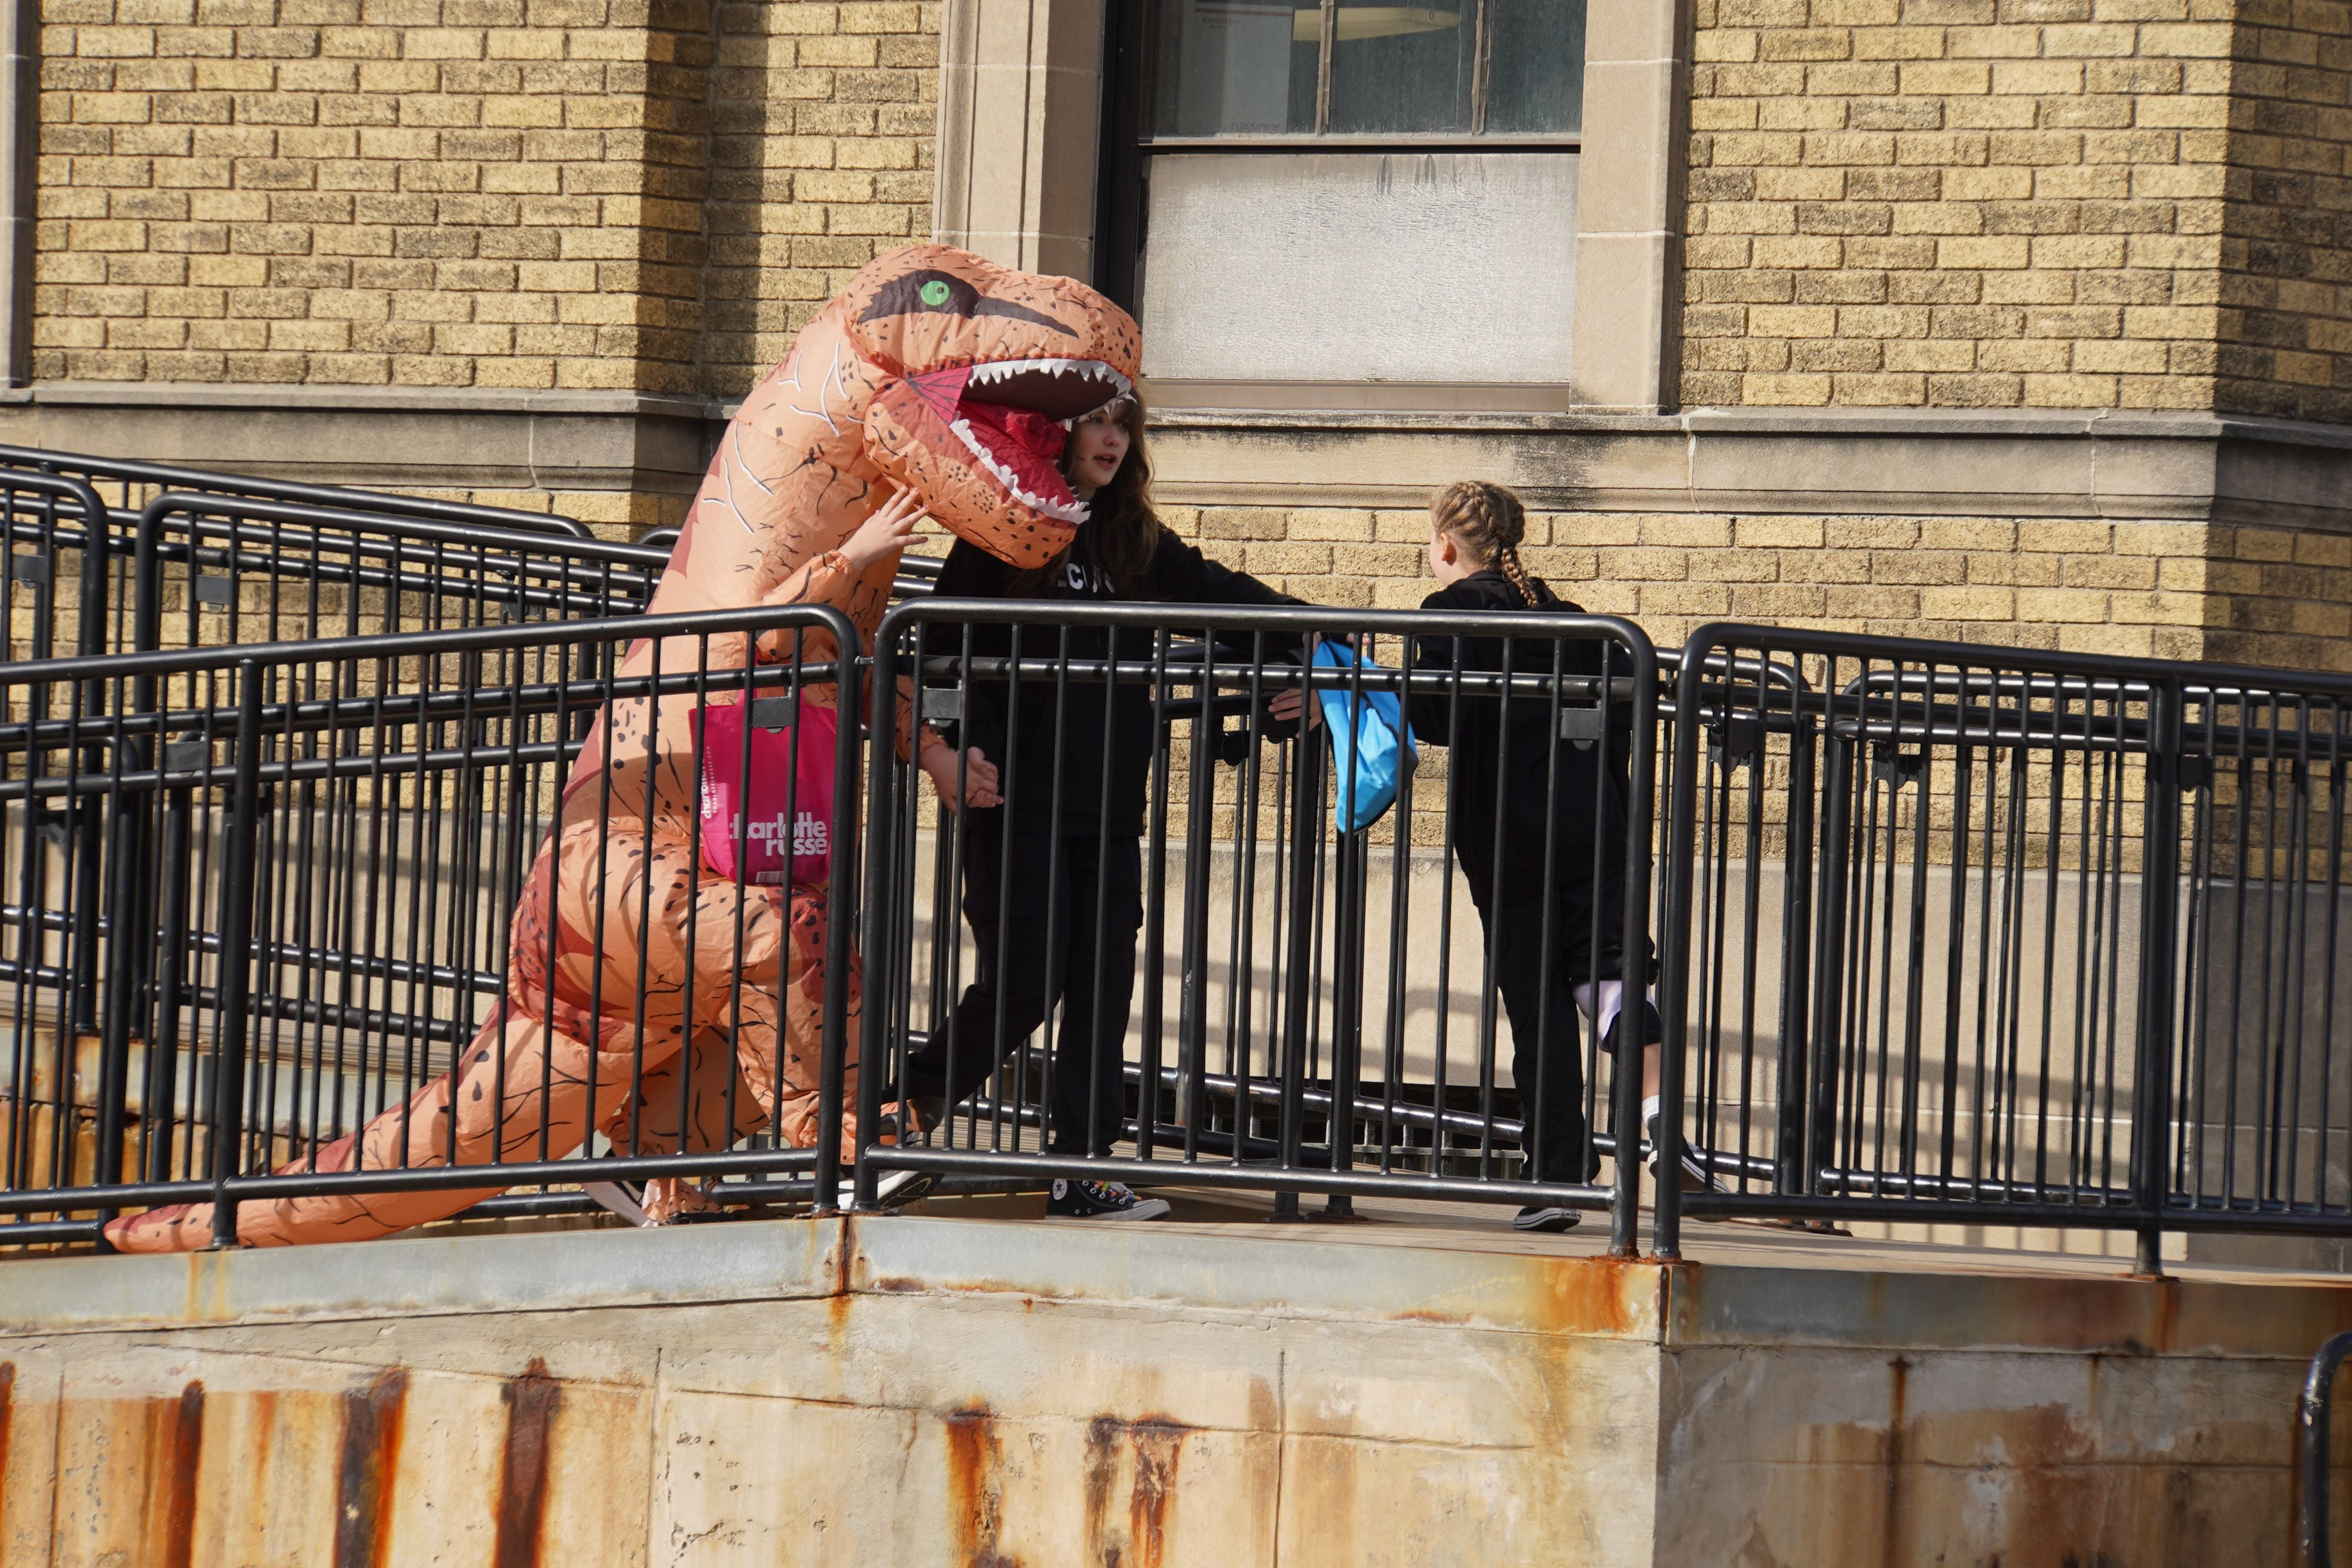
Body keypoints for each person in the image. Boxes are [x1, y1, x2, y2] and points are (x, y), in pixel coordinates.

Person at [903, 393, 1306, 1220]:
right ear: (1059, 433)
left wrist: (1313, 649)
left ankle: (1081, 1169)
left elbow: (1229, 602)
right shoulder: (1005, 525)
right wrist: (949, 754)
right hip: (1014, 795)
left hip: (1109, 803)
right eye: (1098, 422)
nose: (1114, 438)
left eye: (1126, 425)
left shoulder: (1137, 543)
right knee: (1023, 980)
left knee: (1101, 985)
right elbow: (932, 645)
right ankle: (900, 1108)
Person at [1405, 480, 1685, 1235]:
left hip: (1510, 833)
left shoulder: (1450, 610)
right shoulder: (1569, 617)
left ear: (1446, 546)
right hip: (1596, 821)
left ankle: (1557, 1177)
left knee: (1538, 1007)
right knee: (1610, 973)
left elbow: (1433, 713)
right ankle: (1658, 1113)